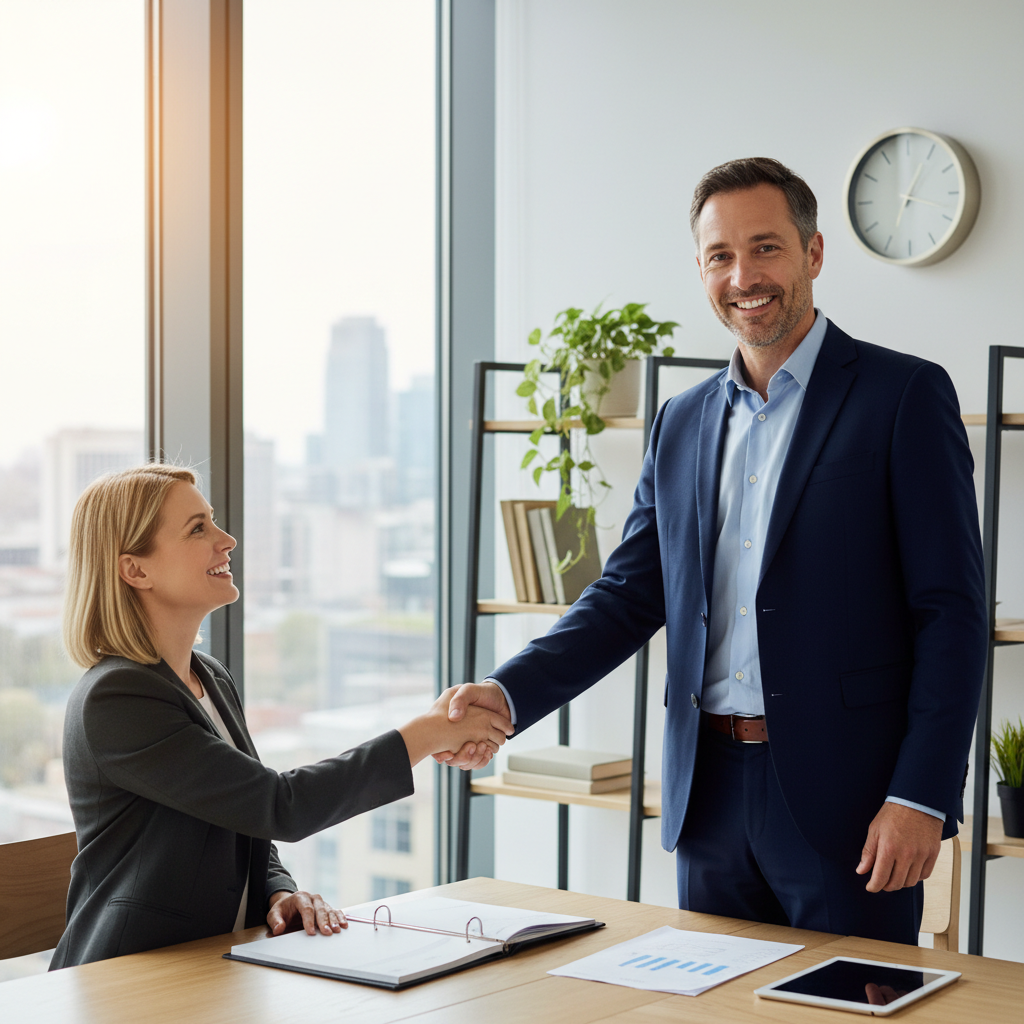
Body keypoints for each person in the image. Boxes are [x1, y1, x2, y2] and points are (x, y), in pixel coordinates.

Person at [438, 158, 987, 944]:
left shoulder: (902, 397)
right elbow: (629, 595)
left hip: (853, 801)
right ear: (701, 269)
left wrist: (921, 795)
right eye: (720, 256)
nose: (744, 276)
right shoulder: (681, 421)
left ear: (814, 254)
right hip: (708, 799)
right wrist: (508, 693)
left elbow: (951, 615)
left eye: (765, 248)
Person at [52, 464, 511, 969]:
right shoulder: (117, 698)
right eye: (197, 528)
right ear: (135, 570)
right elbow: (278, 805)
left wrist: (276, 892)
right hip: (129, 980)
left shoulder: (209, 678)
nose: (226, 540)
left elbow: (244, 818)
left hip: (215, 969)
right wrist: (427, 733)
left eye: (213, 521)